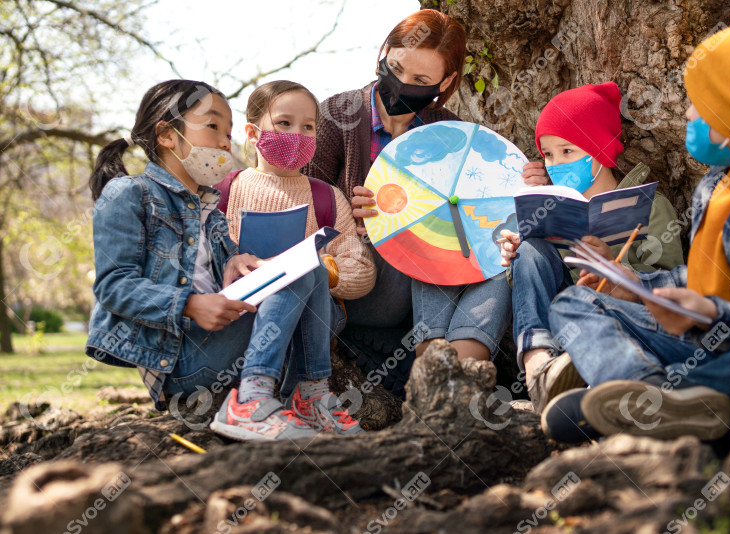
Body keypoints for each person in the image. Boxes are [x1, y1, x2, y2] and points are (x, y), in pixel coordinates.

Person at [540, 19, 730, 444]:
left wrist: (710, 313)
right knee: (576, 301)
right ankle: (651, 395)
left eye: (699, 102)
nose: (687, 114)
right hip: (702, 342)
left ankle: (667, 405)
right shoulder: (715, 185)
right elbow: (705, 278)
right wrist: (633, 286)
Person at [86, 80, 362, 443]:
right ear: (167, 135)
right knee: (293, 269)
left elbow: (209, 271)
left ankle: (310, 395)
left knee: (304, 264)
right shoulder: (130, 194)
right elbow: (112, 286)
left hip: (218, 342)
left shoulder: (208, 210)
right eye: (213, 126)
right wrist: (191, 305)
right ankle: (251, 401)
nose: (223, 141)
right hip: (180, 360)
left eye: (228, 132)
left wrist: (235, 261)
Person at [499, 82, 683, 413]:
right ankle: (537, 367)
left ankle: (601, 384)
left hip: (620, 318)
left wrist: (618, 269)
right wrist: (516, 254)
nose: (556, 164)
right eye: (549, 155)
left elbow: (668, 283)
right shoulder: (547, 206)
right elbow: (535, 285)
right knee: (530, 249)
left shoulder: (651, 207)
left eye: (568, 152)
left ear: (598, 150)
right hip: (557, 325)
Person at [304, 9, 466, 331]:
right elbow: (300, 207)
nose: (401, 85)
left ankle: (444, 348)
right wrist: (346, 215)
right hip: (350, 281)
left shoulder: (452, 133)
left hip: (423, 285)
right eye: (395, 68)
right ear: (386, 52)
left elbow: (468, 218)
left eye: (420, 81)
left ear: (445, 81)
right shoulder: (338, 115)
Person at [224, 79, 376, 417]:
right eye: (284, 123)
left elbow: (362, 271)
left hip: (314, 317)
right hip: (243, 311)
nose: (297, 134)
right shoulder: (225, 191)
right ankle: (296, 396)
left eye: (308, 127)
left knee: (306, 268)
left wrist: (319, 267)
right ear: (252, 133)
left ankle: (305, 397)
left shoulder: (327, 198)